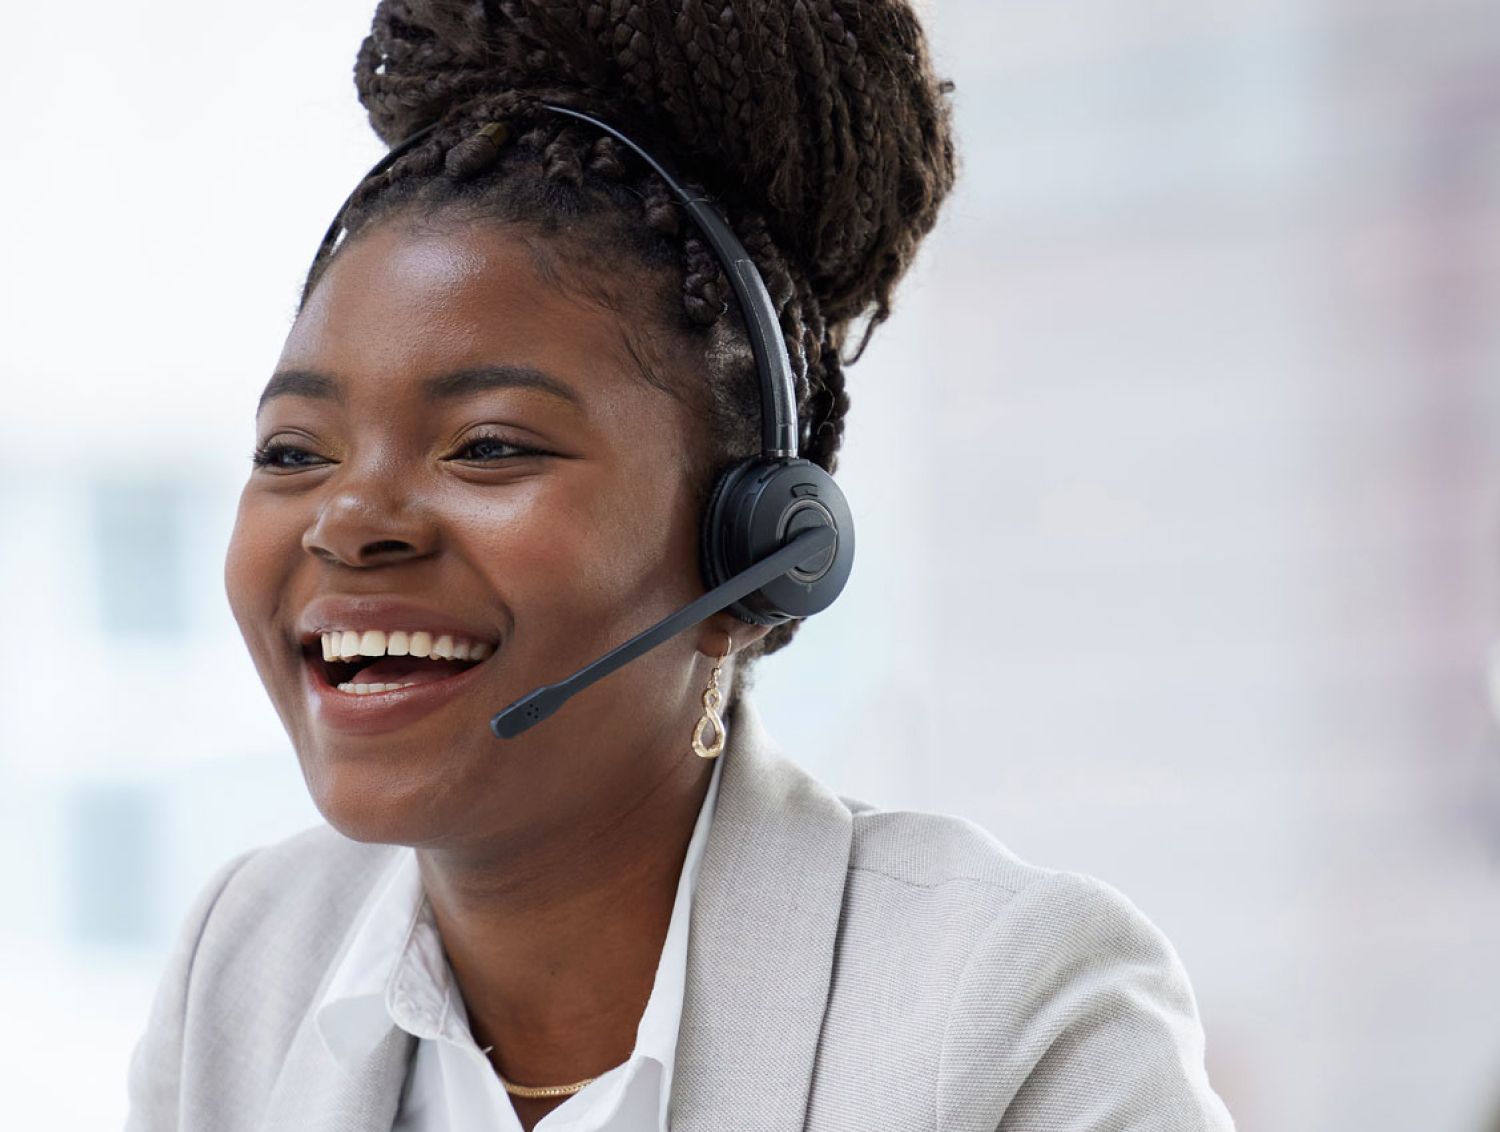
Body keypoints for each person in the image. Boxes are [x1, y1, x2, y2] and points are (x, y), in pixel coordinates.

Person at [124, 1, 1236, 1129]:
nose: (350, 521)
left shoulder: (1008, 1011)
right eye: (294, 452)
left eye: (491, 446)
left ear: (754, 549)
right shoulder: (248, 962)